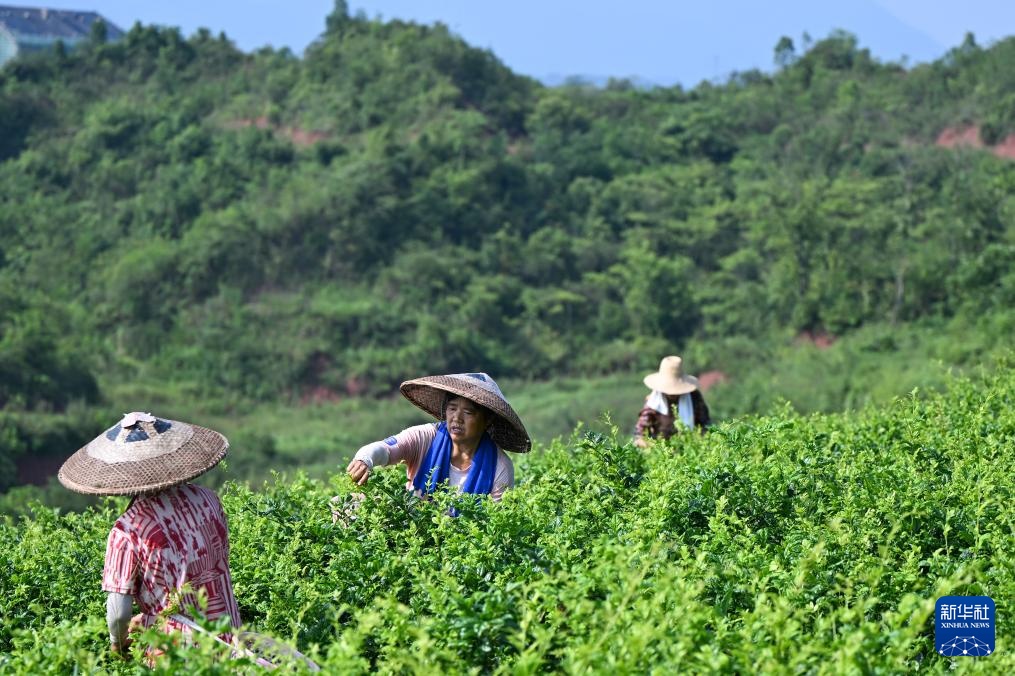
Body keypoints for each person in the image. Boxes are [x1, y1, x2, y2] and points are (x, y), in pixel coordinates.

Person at [57, 411, 241, 658]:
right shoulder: (209, 500)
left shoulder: (127, 530)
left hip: (176, 654)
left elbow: (119, 614)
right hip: (229, 638)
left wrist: (118, 643)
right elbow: (211, 569)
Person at [346, 372, 530, 501]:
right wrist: (365, 460)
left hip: (461, 542)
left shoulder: (499, 467)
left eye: (468, 412)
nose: (457, 418)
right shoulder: (426, 437)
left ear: (487, 420)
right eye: (452, 409)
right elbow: (386, 448)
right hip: (412, 528)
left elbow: (495, 522)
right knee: (346, 502)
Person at [634, 356, 711, 447]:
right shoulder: (654, 402)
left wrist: (700, 443)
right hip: (660, 449)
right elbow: (639, 434)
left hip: (690, 447)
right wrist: (655, 447)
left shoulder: (694, 397)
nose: (672, 394)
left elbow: (705, 424)